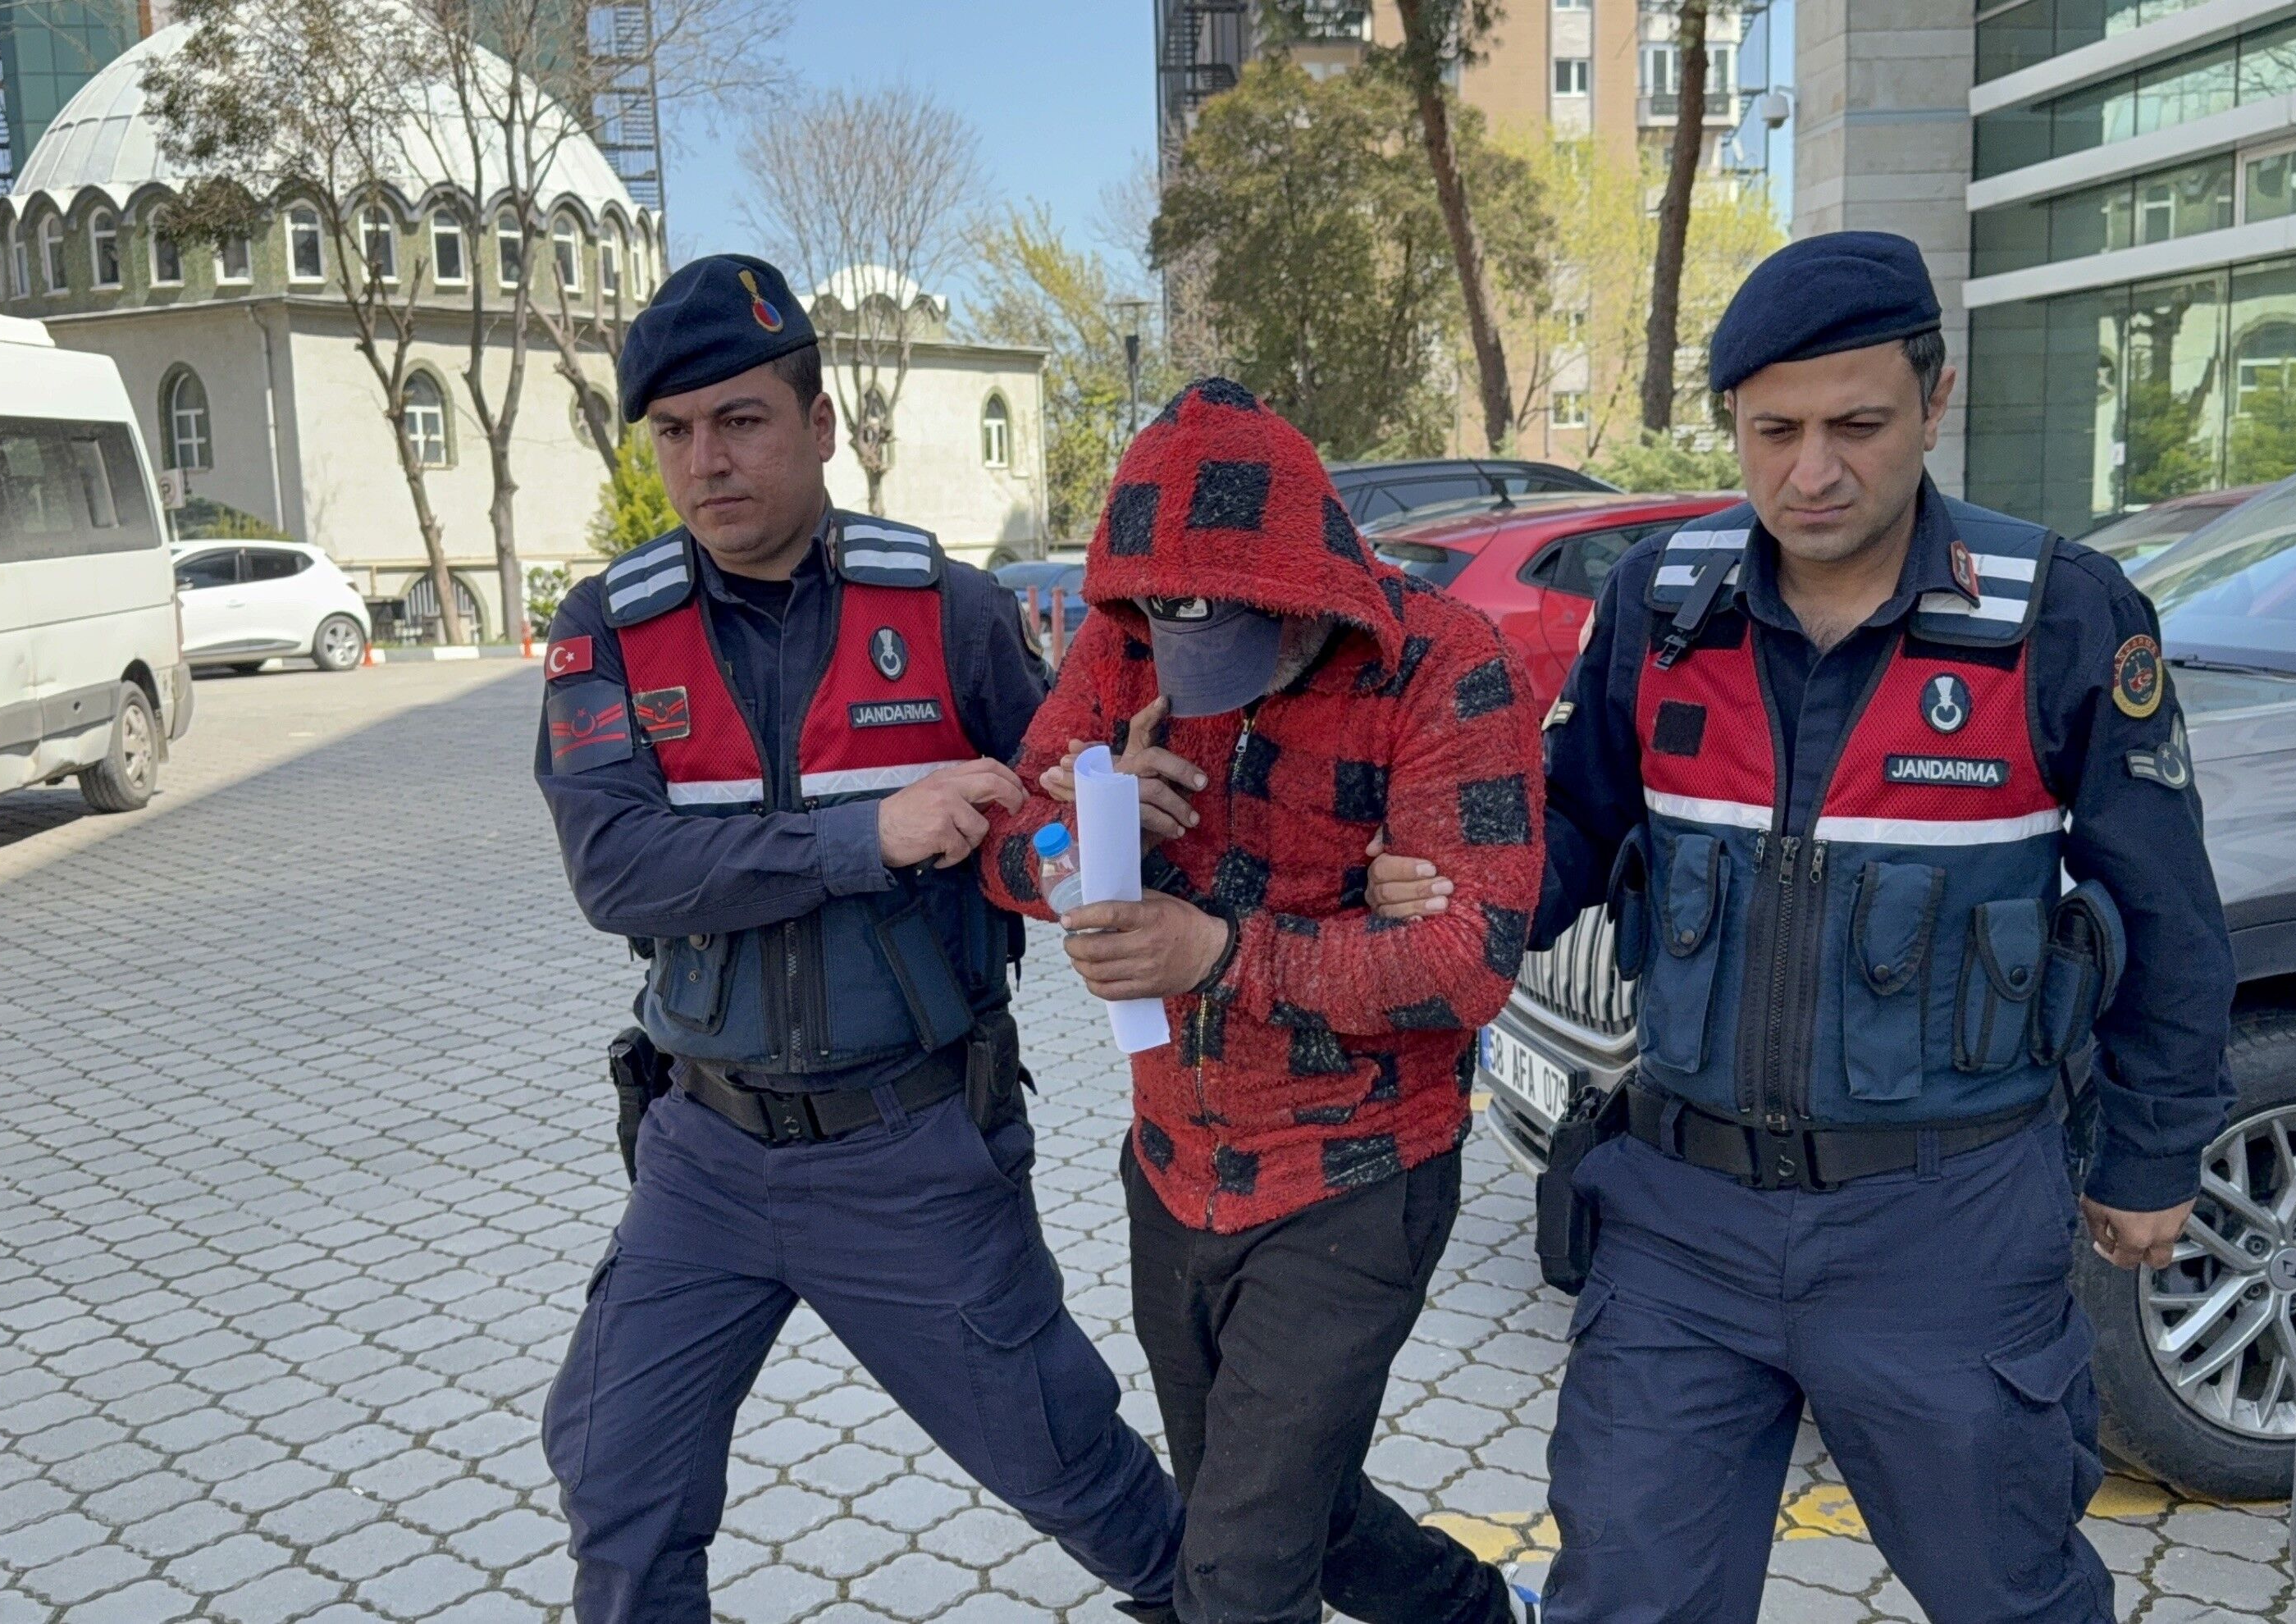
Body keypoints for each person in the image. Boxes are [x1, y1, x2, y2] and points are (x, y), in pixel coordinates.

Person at [1367, 232, 2235, 1622]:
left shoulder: (2059, 616)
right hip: (1681, 1219)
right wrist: (1453, 891)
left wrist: (2153, 1152)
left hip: (1945, 1224)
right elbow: (1572, 824)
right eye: (1774, 432)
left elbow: (2167, 911)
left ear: (1935, 402)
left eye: (1857, 427)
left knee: (2010, 1598)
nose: (1812, 472)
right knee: (1628, 1599)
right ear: (1735, 422)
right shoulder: (1662, 603)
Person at [531, 253, 1181, 1624]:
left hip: (911, 1148)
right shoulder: (610, 633)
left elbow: (1048, 824)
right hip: (704, 1155)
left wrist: (1098, 817)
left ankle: (1215, 1603)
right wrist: (865, 837)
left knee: (1069, 1465)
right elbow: (618, 870)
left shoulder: (948, 612)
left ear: (820, 423)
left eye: (741, 420)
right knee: (616, 1477)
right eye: (674, 432)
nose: (705, 462)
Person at [976, 378, 1544, 1624]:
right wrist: (1093, 824)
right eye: (1177, 644)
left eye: (1245, 646)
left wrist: (1220, 952)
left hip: (1357, 1176)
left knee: (1237, 1571)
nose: (1209, 683)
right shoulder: (1123, 639)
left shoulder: (1447, 662)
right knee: (1297, 1515)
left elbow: (1468, 964)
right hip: (1175, 1168)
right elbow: (1006, 853)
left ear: (1313, 585)